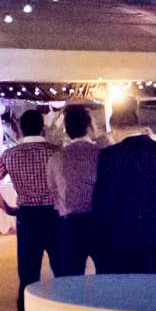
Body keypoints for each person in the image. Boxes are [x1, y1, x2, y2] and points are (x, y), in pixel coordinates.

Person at [0, 107, 60, 311]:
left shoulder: (11, 154)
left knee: (28, 275)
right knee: (62, 272)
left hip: (27, 216)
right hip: (54, 215)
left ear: (20, 129)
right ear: (43, 127)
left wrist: (5, 207)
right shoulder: (56, 152)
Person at [88, 129, 156, 275]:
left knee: (121, 287)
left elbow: (102, 198)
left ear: (114, 129)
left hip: (119, 232)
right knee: (150, 286)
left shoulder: (109, 154)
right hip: (152, 230)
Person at [52, 103, 100, 277]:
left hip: (70, 223)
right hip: (99, 221)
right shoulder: (102, 153)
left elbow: (54, 192)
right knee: (106, 274)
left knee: (71, 277)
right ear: (89, 127)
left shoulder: (57, 157)